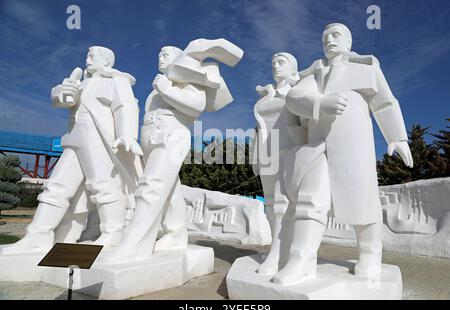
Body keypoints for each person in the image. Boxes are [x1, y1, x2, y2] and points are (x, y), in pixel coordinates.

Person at [271, 23, 413, 285]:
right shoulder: (314, 74)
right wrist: (320, 103)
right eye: (325, 37)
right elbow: (294, 99)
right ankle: (301, 258)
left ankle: (370, 252)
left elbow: (385, 101)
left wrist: (397, 137)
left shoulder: (365, 69)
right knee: (311, 198)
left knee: (362, 199)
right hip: (318, 144)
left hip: (353, 143)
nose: (329, 40)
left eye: (336, 36)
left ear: (348, 43)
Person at [102, 39, 243, 263]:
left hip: (172, 135)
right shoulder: (159, 86)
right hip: (151, 136)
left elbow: (196, 107)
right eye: (159, 53)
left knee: (151, 186)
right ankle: (176, 233)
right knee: (169, 189)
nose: (161, 57)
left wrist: (167, 89)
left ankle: (135, 244)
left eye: (166, 54)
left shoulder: (187, 81)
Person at [1, 46, 142, 254]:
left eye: (92, 56)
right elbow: (62, 100)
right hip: (75, 138)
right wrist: (63, 93)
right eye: (86, 55)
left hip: (98, 139)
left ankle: (113, 233)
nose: (87, 59)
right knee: (56, 186)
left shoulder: (115, 80)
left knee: (103, 184)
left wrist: (128, 134)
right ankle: (38, 235)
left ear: (106, 61)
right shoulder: (80, 83)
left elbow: (127, 106)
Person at [252, 52, 305, 275]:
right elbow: (258, 128)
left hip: (289, 150)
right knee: (271, 204)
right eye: (273, 62)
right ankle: (279, 247)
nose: (275, 66)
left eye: (281, 62)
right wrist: (255, 156)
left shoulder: (296, 93)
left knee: (283, 203)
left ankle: (279, 254)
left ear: (293, 70)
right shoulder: (265, 97)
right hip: (267, 153)